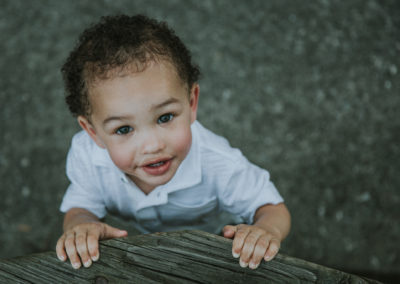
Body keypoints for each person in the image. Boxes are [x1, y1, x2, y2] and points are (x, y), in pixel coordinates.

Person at [56, 14, 291, 271]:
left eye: (165, 117)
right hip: (146, 253)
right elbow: (80, 207)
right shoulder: (88, 158)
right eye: (124, 129)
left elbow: (273, 208)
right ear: (93, 133)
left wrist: (265, 230)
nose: (152, 145)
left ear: (191, 103)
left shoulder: (217, 162)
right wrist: (80, 226)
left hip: (216, 249)